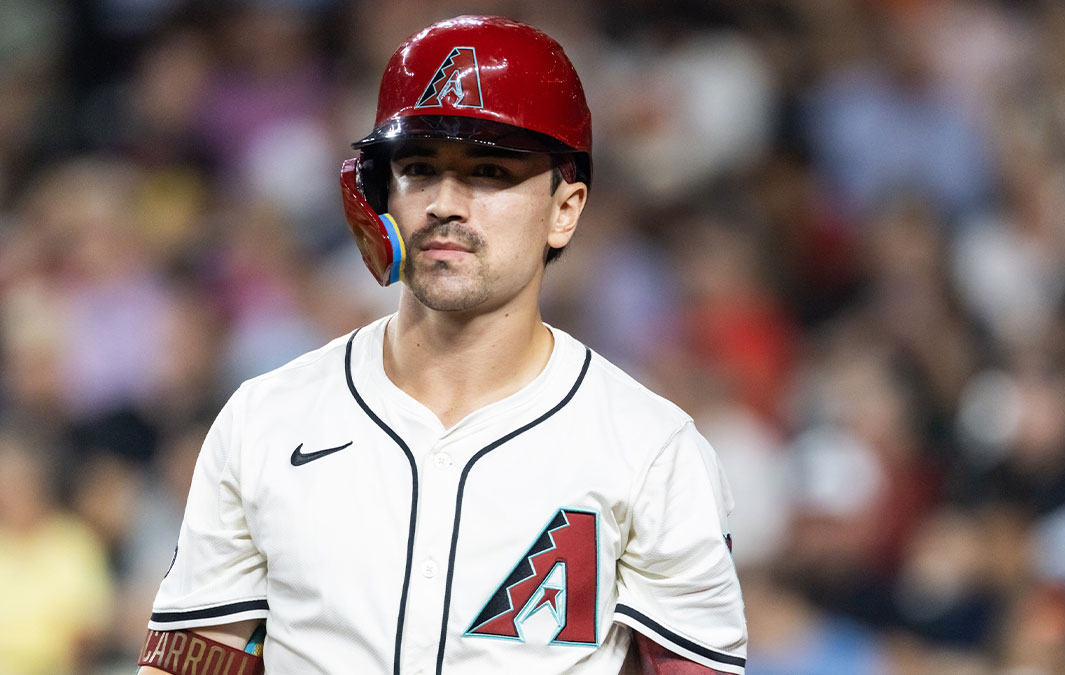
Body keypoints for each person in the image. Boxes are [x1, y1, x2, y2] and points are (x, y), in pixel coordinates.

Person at [137, 15, 747, 675]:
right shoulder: (267, 419)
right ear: (378, 195)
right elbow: (192, 665)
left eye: (489, 170)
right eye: (419, 169)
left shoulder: (652, 449)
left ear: (564, 209)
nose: (445, 203)